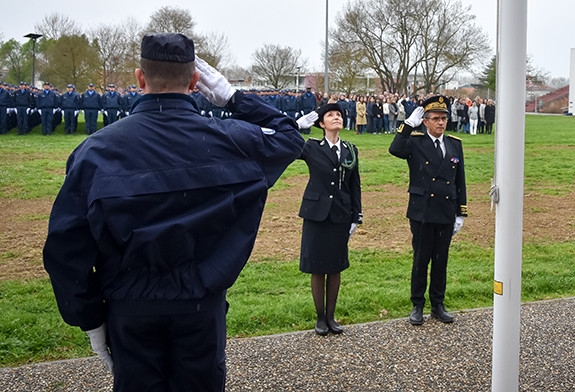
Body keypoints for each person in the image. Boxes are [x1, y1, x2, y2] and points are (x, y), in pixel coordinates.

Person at [42, 33, 305, 391]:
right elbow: (291, 136)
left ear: (140, 78)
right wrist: (233, 97)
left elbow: (66, 246)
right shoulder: (229, 141)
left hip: (130, 307)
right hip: (199, 305)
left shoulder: (96, 151)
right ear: (197, 82)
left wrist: (90, 319)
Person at [389, 95, 467, 325]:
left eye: (444, 118)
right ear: (425, 121)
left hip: (445, 209)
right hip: (422, 210)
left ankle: (438, 304)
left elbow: (459, 180)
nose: (441, 123)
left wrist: (461, 211)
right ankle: (417, 305)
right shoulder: (415, 141)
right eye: (436, 119)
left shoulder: (454, 144)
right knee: (421, 259)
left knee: (441, 260)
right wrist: (407, 125)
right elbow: (394, 149)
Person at [295, 103, 362, 335]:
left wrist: (356, 216)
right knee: (317, 267)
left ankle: (332, 317)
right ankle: (320, 318)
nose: (336, 118)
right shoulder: (312, 147)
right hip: (316, 215)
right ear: (321, 124)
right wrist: (296, 127)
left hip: (340, 214)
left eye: (339, 115)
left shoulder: (350, 150)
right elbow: (285, 145)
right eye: (330, 115)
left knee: (335, 267)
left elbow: (355, 186)